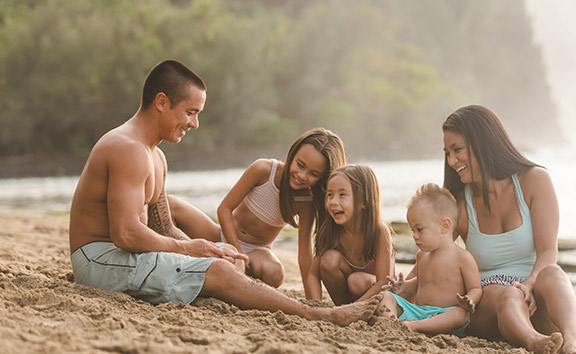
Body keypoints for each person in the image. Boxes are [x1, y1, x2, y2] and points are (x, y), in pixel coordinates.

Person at [68, 59, 381, 326]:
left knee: (219, 264)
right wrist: (195, 251)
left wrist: (212, 249)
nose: (195, 123)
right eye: (190, 112)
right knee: (218, 271)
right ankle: (320, 316)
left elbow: (163, 228)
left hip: (122, 258)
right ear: (162, 102)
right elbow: (124, 234)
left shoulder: (155, 156)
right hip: (99, 262)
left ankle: (296, 303)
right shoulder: (129, 150)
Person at [441, 105, 576, 354]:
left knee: (553, 272)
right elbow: (435, 252)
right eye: (447, 153)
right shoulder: (459, 203)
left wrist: (530, 285)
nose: (451, 161)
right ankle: (534, 342)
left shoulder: (534, 180)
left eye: (457, 150)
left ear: (483, 142)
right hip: (491, 306)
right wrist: (401, 287)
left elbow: (548, 252)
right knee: (502, 293)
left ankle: (573, 342)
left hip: (536, 295)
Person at [167, 128, 346, 290]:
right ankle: (178, 256)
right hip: (222, 236)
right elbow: (224, 209)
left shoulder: (305, 202)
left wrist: (311, 300)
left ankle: (228, 266)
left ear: (323, 178)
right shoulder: (263, 170)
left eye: (313, 174)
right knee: (171, 203)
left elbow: (305, 255)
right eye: (300, 165)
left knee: (276, 273)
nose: (302, 176)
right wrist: (236, 250)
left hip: (256, 252)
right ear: (293, 153)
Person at [377, 183, 484, 338]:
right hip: (419, 311)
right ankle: (393, 322)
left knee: (461, 315)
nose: (414, 235)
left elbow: (475, 288)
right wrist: (404, 286)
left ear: (444, 226)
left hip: (445, 314)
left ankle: (415, 326)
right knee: (385, 296)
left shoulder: (462, 257)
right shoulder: (422, 255)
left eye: (419, 229)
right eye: (412, 230)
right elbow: (421, 282)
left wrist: (470, 299)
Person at [304, 165, 395, 305]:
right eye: (329, 195)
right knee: (329, 260)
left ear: (364, 201)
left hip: (381, 296)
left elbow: (383, 282)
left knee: (356, 281)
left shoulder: (379, 231)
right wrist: (316, 306)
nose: (333, 202)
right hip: (346, 302)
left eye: (342, 195)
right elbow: (313, 275)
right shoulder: (330, 230)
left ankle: (349, 309)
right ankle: (342, 308)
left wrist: (355, 307)